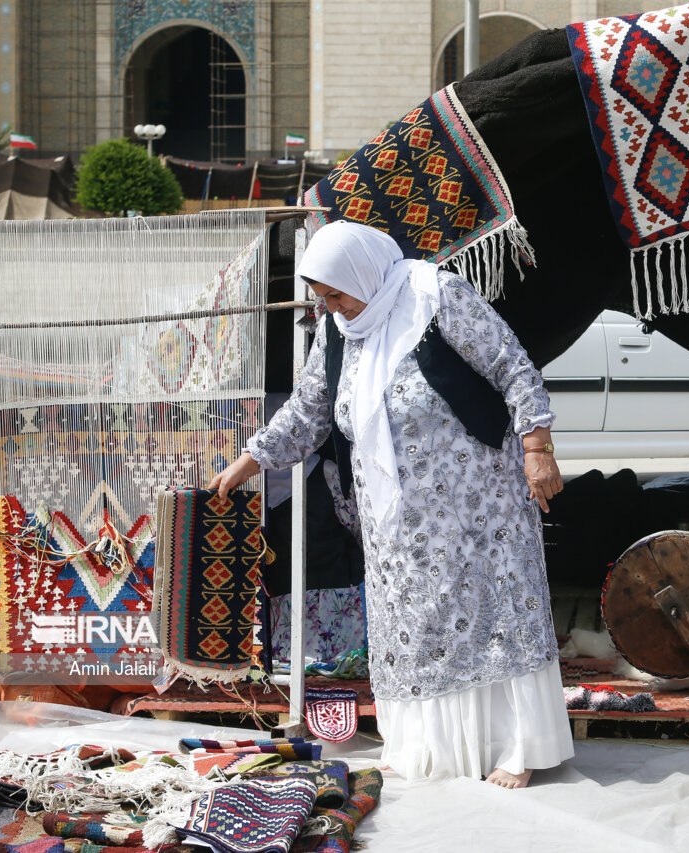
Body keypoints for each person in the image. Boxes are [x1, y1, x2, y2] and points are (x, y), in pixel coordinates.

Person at [210, 220, 574, 788]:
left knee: (494, 614)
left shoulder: (437, 297)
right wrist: (248, 462)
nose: (329, 306)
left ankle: (516, 747)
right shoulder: (337, 330)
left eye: (336, 292)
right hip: (398, 519)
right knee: (414, 624)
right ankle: (426, 746)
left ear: (366, 273)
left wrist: (537, 448)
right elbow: (308, 412)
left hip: (480, 501)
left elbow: (513, 367)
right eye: (321, 297)